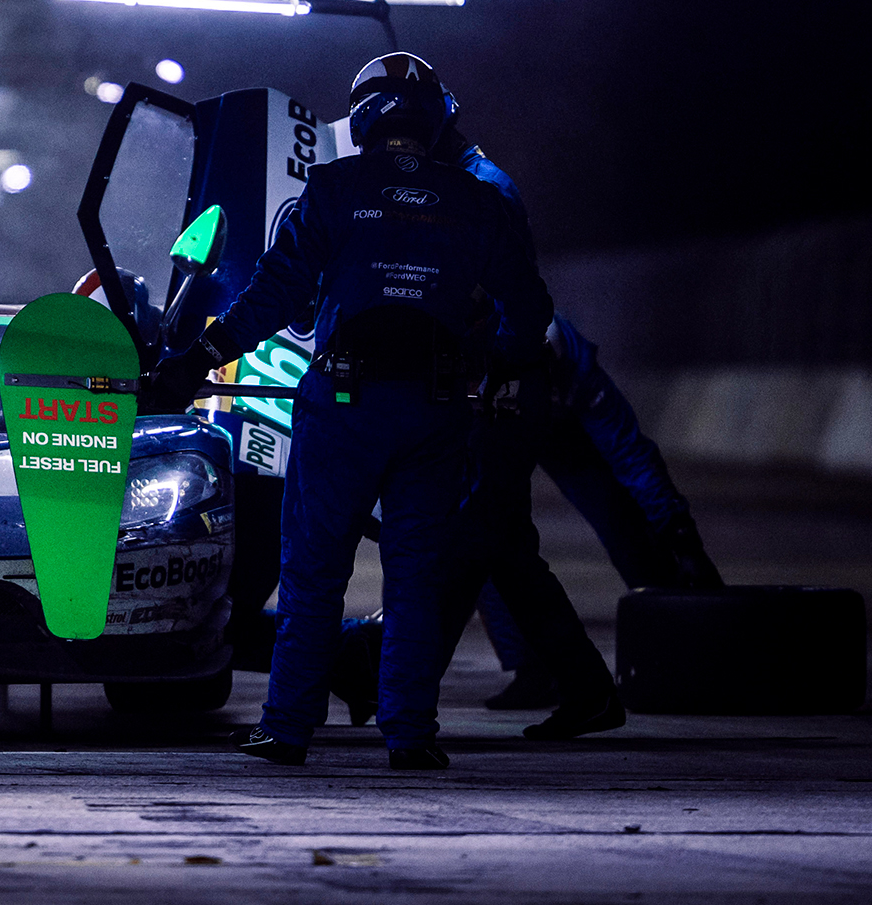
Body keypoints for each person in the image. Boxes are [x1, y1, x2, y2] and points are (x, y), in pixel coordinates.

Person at [153, 56, 553, 771]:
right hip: (435, 412)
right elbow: (529, 310)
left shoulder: (334, 188)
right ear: (436, 118)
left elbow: (272, 295)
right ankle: (409, 735)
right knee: (415, 581)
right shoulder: (477, 200)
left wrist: (196, 359)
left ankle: (287, 730)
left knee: (312, 574)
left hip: (342, 408)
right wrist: (507, 369)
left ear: (364, 117)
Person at [471, 313, 723, 709]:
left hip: (560, 420)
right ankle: (530, 669)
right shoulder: (478, 351)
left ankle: (678, 646)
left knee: (621, 522)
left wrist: (681, 536)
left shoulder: (573, 365)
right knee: (482, 538)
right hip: (497, 414)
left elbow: (630, 454)